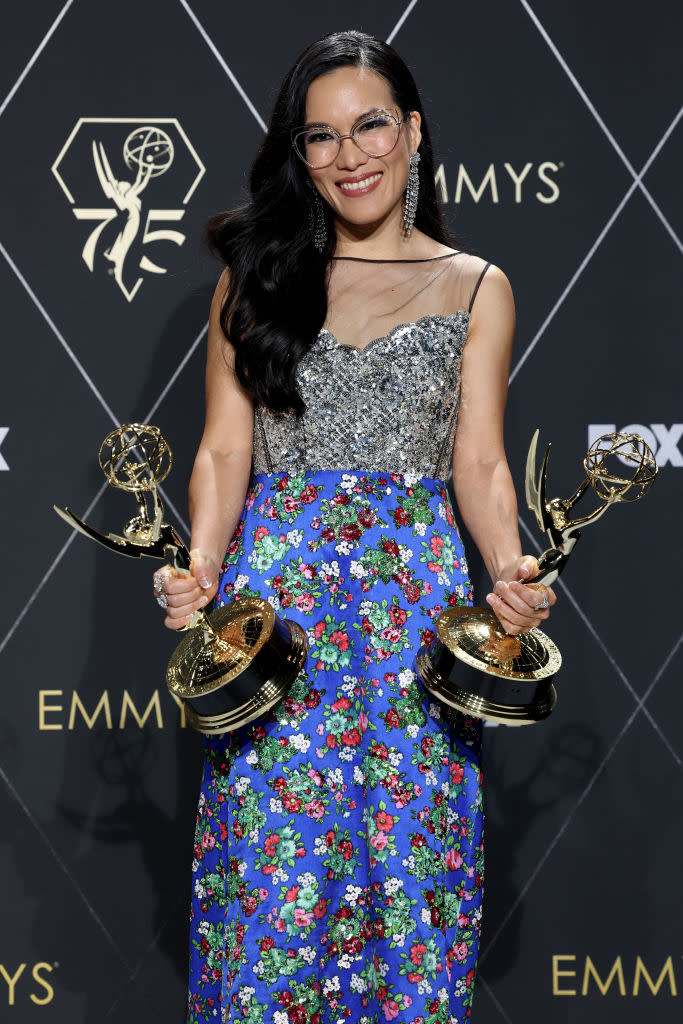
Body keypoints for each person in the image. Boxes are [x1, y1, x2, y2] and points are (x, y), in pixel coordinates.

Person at [153, 30, 556, 1024]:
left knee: (409, 888)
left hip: (411, 631)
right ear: (299, 154)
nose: (350, 155)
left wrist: (510, 572)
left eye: (370, 124)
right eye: (321, 136)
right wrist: (197, 570)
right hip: (274, 630)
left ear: (412, 132)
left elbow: (479, 463)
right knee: (271, 896)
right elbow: (219, 453)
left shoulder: (475, 287)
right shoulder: (254, 278)